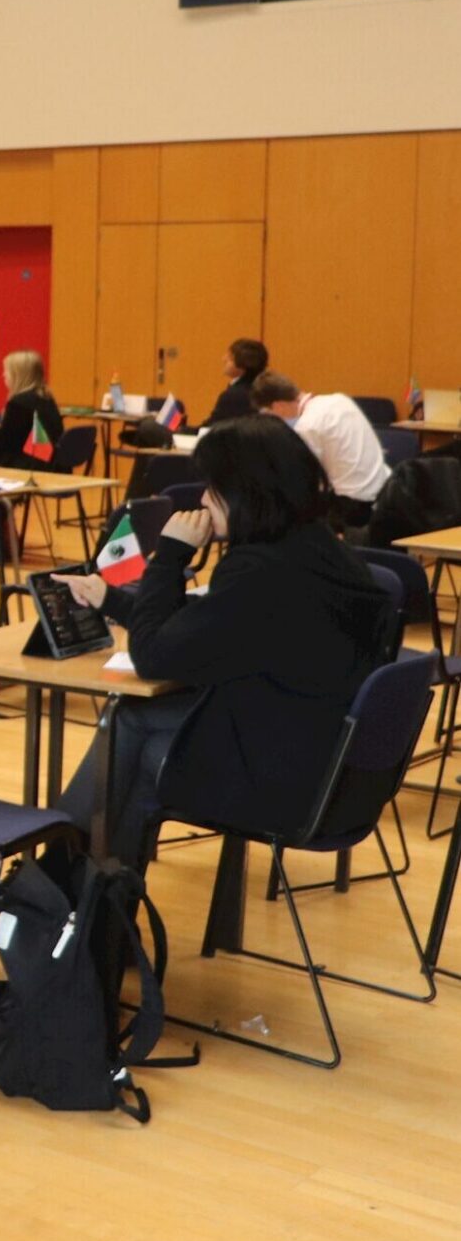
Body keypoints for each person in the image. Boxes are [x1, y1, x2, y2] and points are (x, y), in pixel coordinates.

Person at [52, 416, 391, 870]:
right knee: (131, 723)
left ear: (246, 492)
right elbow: (200, 637)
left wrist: (170, 556)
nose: (203, 500)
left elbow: (154, 658)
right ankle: (74, 898)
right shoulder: (321, 551)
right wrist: (114, 600)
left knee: (128, 739)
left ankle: (65, 895)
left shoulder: (259, 572)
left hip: (283, 778)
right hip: (332, 766)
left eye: (213, 488)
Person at [251, 371, 392, 526]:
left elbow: (306, 481)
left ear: (278, 406)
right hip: (386, 490)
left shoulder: (307, 427)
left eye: (268, 413)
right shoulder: (340, 400)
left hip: (354, 506)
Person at [0, 350, 62, 468]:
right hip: (50, 464)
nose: (3, 375)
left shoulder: (20, 403)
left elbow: (3, 447)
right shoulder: (46, 398)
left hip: (29, 467)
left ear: (18, 375)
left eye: (7, 371)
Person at [204, 337, 268, 426]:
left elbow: (211, 427)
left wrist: (182, 430)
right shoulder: (265, 388)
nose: (224, 359)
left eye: (230, 358)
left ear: (243, 363)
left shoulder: (234, 395)